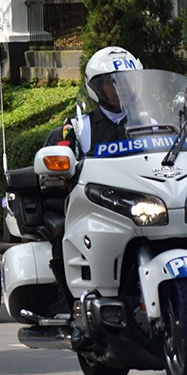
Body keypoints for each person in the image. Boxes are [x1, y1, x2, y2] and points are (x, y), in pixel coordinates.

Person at [43, 46, 143, 313]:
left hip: (143, 203)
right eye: (113, 83)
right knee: (62, 234)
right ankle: (72, 308)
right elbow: (56, 155)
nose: (122, 90)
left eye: (127, 83)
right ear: (97, 88)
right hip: (97, 207)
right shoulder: (79, 127)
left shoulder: (150, 122)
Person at [45, 46, 143, 156]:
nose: (123, 87)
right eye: (113, 82)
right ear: (98, 87)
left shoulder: (151, 124)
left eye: (128, 80)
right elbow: (53, 169)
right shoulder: (77, 130)